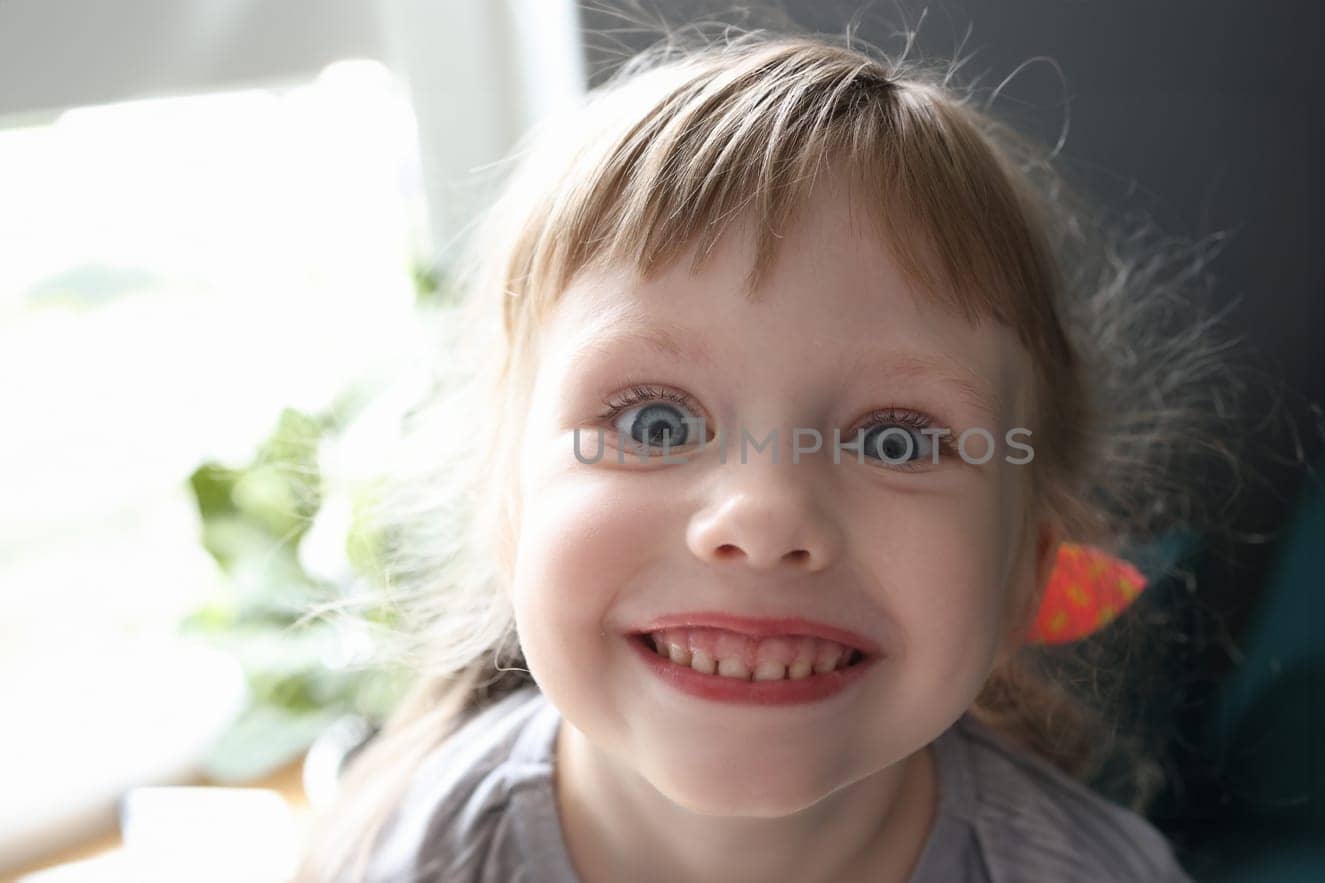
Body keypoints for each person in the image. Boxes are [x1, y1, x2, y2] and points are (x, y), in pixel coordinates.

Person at [295, 15, 1240, 883]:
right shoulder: (409, 856)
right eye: (652, 423)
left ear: (1026, 572)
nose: (764, 512)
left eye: (897, 438)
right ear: (505, 507)